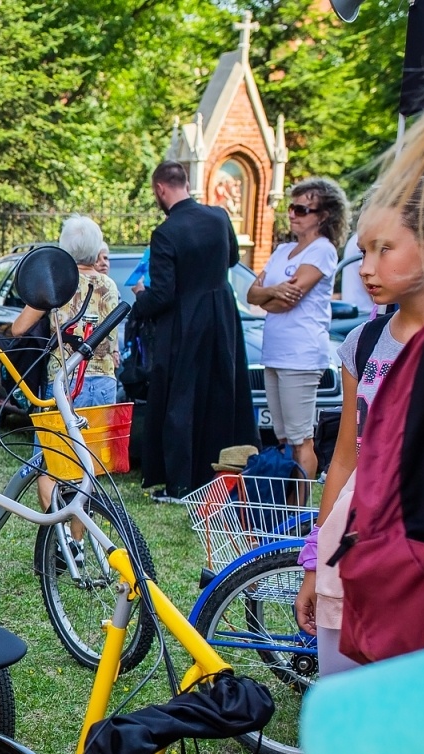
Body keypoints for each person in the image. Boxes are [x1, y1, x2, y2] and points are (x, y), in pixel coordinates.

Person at [289, 188, 424, 754]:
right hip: (356, 556)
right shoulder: (365, 343)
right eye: (363, 254)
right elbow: (345, 458)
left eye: (386, 249)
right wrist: (318, 558)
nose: (368, 268)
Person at [130, 160, 257, 500]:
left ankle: (180, 482)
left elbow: (163, 292)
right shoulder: (219, 217)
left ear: (160, 189)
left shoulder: (166, 232)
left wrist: (139, 302)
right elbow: (231, 259)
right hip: (222, 318)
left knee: (180, 398)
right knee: (221, 394)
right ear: (186, 182)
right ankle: (220, 473)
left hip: (184, 323)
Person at [9, 214, 122, 509]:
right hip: (105, 383)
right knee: (88, 469)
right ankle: (77, 544)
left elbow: (19, 328)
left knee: (51, 466)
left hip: (68, 383)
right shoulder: (109, 285)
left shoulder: (58, 283)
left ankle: (56, 541)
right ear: (98, 249)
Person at [247, 177, 350, 481]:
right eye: (292, 207)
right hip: (275, 353)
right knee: (281, 438)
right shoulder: (282, 251)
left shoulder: (322, 250)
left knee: (300, 438)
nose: (292, 213)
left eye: (302, 209)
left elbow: (286, 302)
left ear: (324, 215)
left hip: (301, 355)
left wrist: (270, 293)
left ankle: (299, 510)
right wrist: (273, 292)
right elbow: (253, 295)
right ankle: (283, 503)